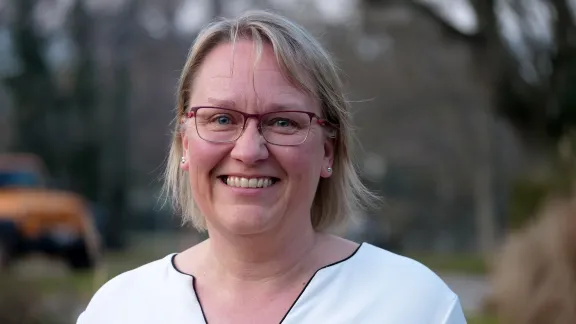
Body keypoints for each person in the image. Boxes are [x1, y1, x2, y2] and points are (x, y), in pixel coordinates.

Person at [77, 10, 467, 324]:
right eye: (221, 119)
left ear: (328, 151)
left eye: (283, 122)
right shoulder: (119, 309)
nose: (249, 150)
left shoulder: (414, 305)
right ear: (184, 143)